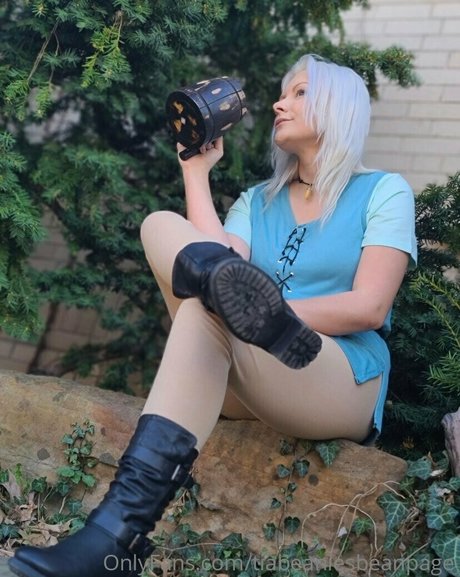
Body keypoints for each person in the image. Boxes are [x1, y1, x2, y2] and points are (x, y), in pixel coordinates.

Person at [9, 53, 417, 577]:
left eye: (298, 93)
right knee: (163, 229)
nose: (279, 104)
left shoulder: (383, 191)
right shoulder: (257, 201)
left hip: (337, 377)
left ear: (340, 106)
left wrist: (273, 310)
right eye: (283, 93)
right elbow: (214, 264)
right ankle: (116, 541)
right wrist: (195, 171)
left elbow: (370, 306)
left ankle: (113, 536)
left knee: (217, 305)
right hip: (247, 374)